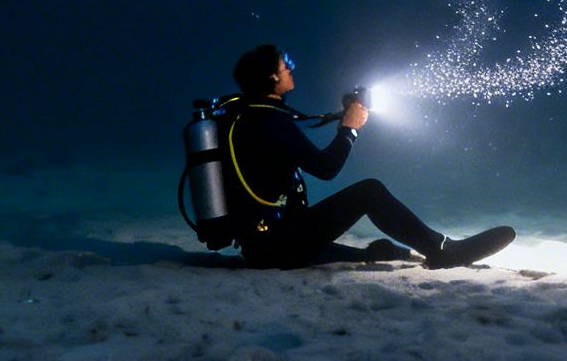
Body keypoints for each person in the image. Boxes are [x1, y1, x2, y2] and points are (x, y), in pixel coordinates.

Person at [219, 43, 514, 269]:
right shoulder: (270, 121)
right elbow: (325, 168)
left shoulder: (253, 115)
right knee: (369, 192)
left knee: (374, 255)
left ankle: (380, 252)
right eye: (287, 66)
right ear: (272, 77)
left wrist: (343, 117)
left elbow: (294, 139)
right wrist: (349, 129)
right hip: (278, 243)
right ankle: (443, 251)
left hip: (263, 242)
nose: (291, 69)